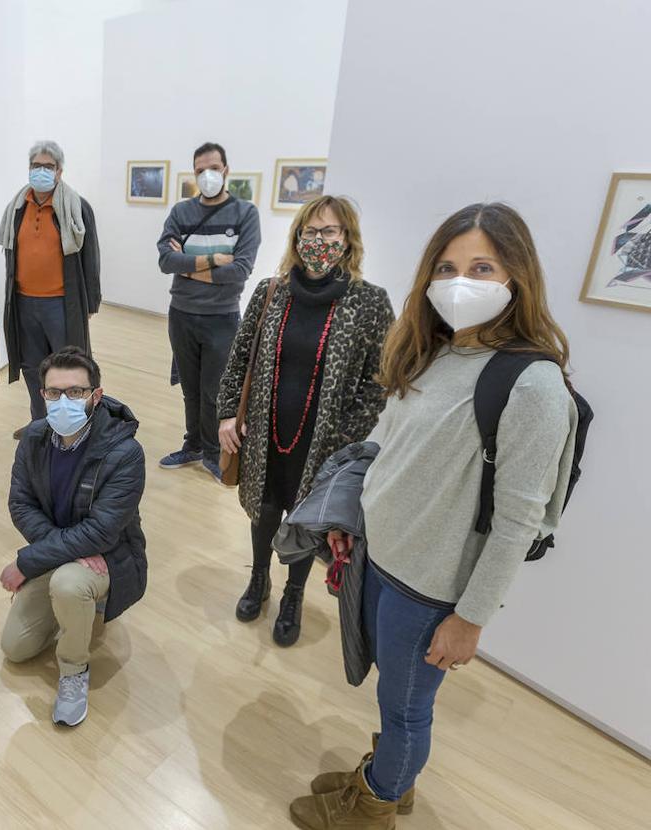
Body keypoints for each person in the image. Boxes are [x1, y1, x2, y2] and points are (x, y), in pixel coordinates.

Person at [289, 203, 579, 829]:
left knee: (405, 710)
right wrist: (352, 521)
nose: (459, 283)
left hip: (429, 591)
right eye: (446, 268)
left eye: (482, 268)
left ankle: (375, 807)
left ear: (517, 277)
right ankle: (390, 779)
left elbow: (517, 522)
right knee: (391, 695)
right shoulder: (439, 351)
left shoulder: (532, 385)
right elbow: (390, 448)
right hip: (383, 561)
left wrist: (469, 620)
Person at [216, 195, 394, 646]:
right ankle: (258, 578)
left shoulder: (369, 302)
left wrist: (343, 439)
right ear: (297, 237)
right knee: (264, 510)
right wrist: (227, 413)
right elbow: (239, 357)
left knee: (305, 519)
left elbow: (378, 382)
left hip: (323, 443)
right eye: (310, 232)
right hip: (265, 433)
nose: (319, 240)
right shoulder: (271, 292)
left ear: (347, 239)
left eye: (329, 231)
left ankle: (293, 594)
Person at [0, 347, 147, 727]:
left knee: (68, 584)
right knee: (15, 648)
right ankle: (71, 607)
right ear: (42, 394)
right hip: (71, 550)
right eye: (54, 392)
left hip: (108, 555)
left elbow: (101, 531)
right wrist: (61, 548)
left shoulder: (126, 452)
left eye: (76, 392)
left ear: (96, 395)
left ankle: (74, 670)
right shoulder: (33, 438)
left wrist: (28, 562)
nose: (64, 401)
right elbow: (20, 505)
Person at [157, 141, 262, 480]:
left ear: (226, 170)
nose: (207, 176)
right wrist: (214, 259)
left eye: (213, 169)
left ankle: (214, 452)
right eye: (200, 170)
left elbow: (240, 270)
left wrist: (187, 266)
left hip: (222, 318)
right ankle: (193, 445)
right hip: (182, 315)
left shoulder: (245, 214)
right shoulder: (181, 213)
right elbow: (166, 261)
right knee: (190, 388)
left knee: (215, 391)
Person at [0, 140, 101, 437]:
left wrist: (90, 303)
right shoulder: (17, 208)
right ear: (29, 168)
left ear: (59, 171)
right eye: (36, 166)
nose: (41, 171)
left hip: (62, 305)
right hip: (24, 303)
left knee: (70, 370)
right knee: (33, 369)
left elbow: (91, 257)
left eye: (48, 166)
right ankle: (41, 424)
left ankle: (76, 427)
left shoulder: (77, 206)